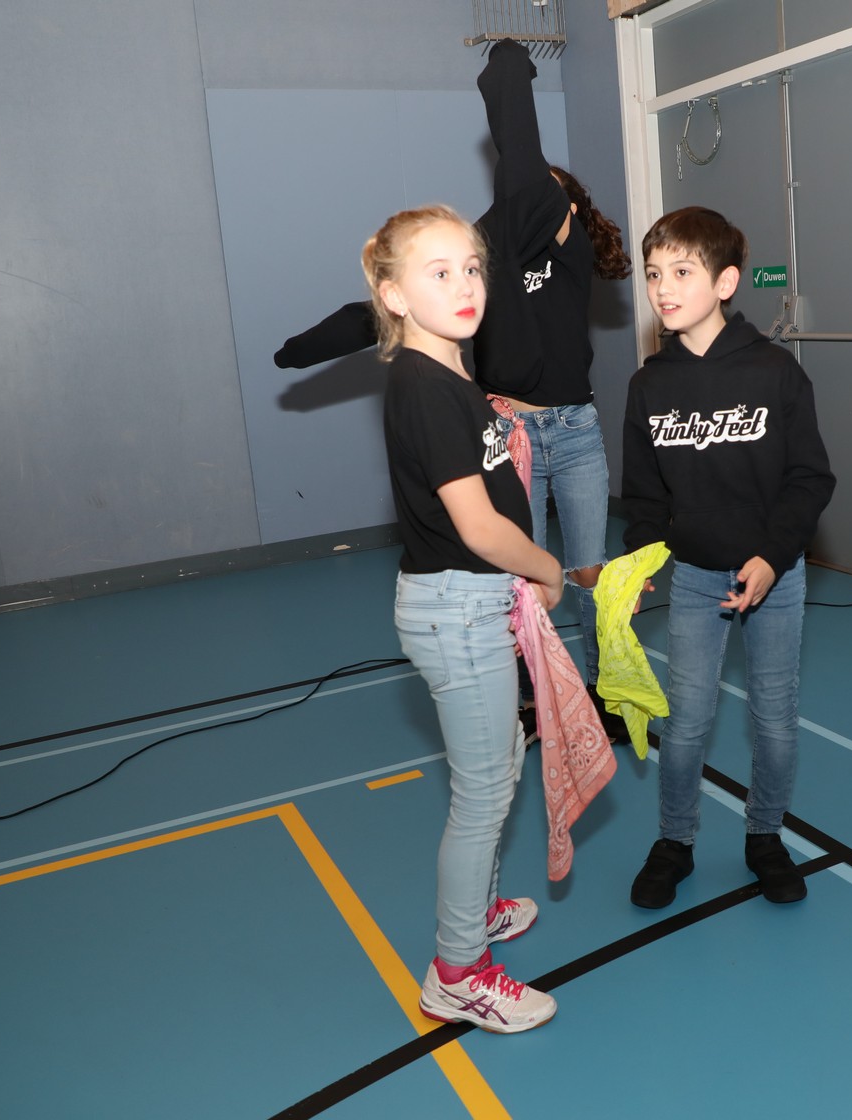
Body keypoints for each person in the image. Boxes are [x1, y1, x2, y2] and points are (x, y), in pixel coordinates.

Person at [274, 39, 631, 741]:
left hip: (575, 433)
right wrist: (298, 351)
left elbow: (524, 173)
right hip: (510, 433)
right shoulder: (481, 272)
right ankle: (530, 700)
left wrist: (509, 69)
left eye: (548, 196)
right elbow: (374, 314)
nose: (535, 203)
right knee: (518, 579)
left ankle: (608, 692)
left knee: (590, 574)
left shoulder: (570, 251)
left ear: (566, 207)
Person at [365, 203, 560, 1033]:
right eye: (438, 272)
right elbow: (478, 528)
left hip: (474, 604)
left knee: (502, 760)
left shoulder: (450, 378)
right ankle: (458, 972)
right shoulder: (423, 386)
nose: (465, 284)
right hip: (459, 612)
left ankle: (475, 912)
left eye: (472, 267)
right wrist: (548, 568)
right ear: (394, 295)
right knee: (482, 796)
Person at [618, 207, 836, 908]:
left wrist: (773, 557)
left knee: (774, 717)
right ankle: (674, 841)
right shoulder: (649, 384)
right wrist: (639, 564)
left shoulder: (776, 373)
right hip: (693, 578)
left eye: (681, 272)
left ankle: (764, 835)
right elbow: (643, 497)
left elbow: (810, 479)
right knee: (685, 721)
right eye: (654, 274)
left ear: (725, 282)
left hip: (775, 575)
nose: (662, 288)